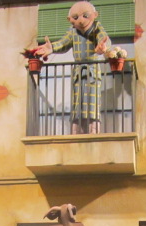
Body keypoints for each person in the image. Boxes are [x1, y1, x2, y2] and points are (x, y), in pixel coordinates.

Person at [35, 1, 111, 134]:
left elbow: (103, 38)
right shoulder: (72, 32)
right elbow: (63, 43)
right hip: (77, 71)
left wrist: (103, 46)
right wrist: (52, 48)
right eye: (76, 17)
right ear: (70, 19)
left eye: (85, 16)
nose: (81, 20)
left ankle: (93, 128)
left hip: (92, 70)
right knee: (77, 100)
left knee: (92, 98)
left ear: (95, 15)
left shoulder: (96, 28)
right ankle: (76, 128)